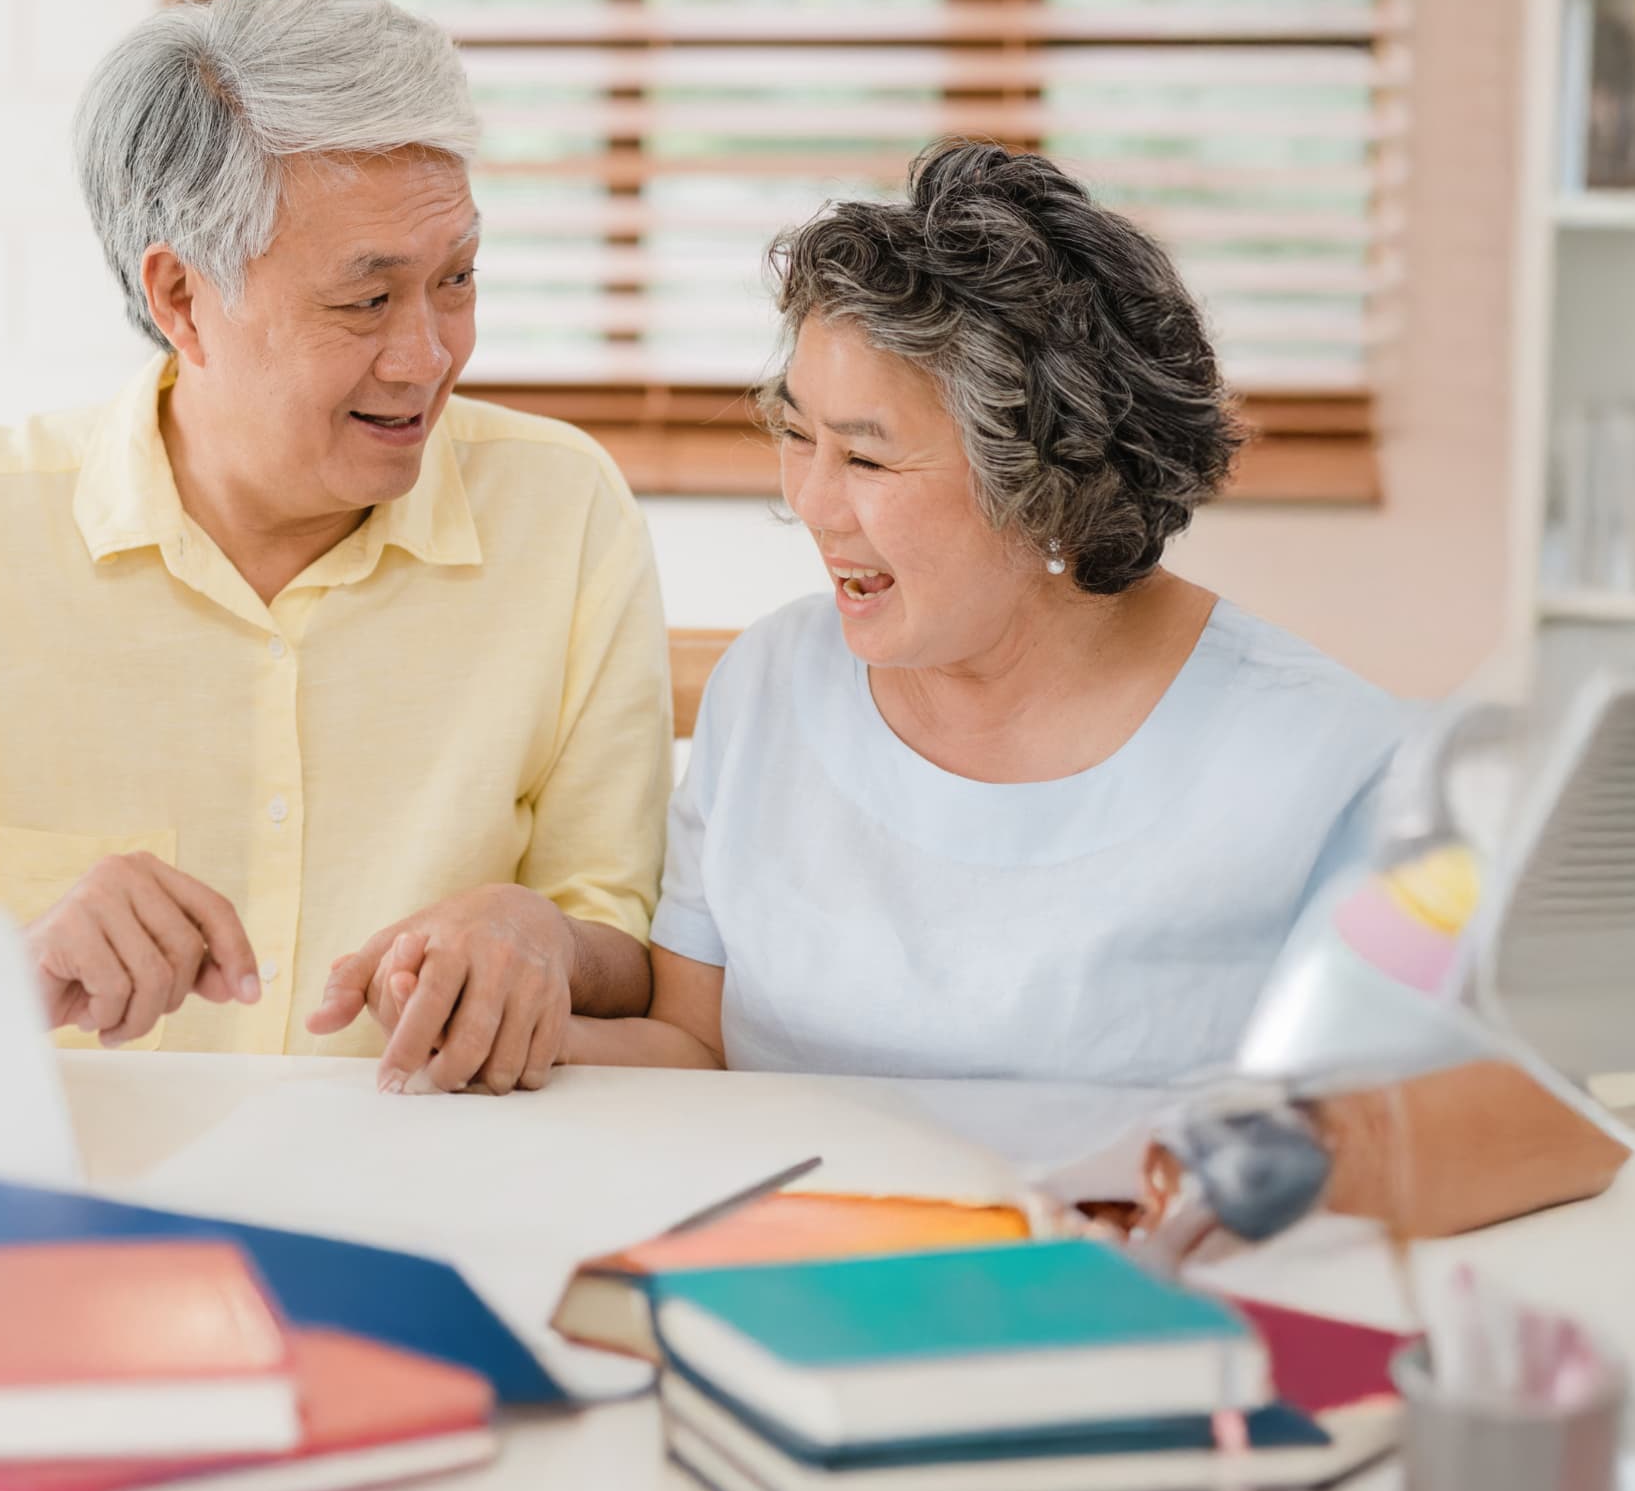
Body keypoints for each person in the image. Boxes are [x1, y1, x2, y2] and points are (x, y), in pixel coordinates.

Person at [0, 0, 673, 1094]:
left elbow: (628, 947)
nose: (428, 355)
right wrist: (8, 974)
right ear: (181, 298)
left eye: (456, 280)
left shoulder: (565, 514)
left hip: (431, 1174)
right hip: (66, 1180)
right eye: (366, 301)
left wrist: (542, 937)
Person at [568, 140, 1407, 1087]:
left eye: (867, 458)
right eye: (798, 435)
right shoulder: (767, 687)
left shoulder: (1326, 760)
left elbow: (1445, 1116)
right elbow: (692, 1053)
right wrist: (499, 1017)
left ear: (1049, 485)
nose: (810, 501)